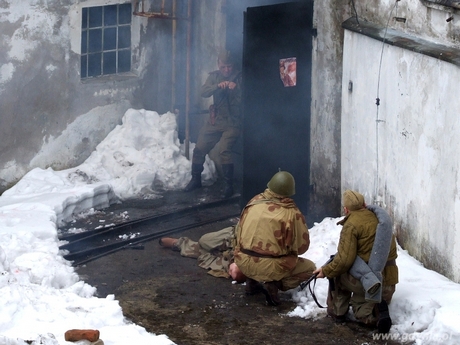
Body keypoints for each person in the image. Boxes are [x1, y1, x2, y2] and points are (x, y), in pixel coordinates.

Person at [312, 190, 399, 334]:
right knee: (361, 305)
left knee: (336, 272)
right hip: (387, 283)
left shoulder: (351, 225)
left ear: (346, 209)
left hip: (369, 283)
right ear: (365, 204)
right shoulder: (382, 221)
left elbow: (344, 261)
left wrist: (326, 271)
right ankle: (379, 308)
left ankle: (338, 312)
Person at [233, 170, 316, 306]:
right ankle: (274, 284)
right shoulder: (291, 212)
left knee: (255, 253)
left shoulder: (253, 202)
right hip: (270, 267)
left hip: (243, 262)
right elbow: (302, 247)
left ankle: (252, 282)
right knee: (310, 268)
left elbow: (237, 234)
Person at [184, 50, 242, 199]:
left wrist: (236, 89)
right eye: (223, 67)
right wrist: (218, 86)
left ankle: (228, 185)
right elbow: (203, 92)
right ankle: (196, 179)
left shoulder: (240, 77)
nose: (226, 70)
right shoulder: (214, 77)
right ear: (218, 65)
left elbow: (250, 97)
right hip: (216, 121)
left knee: (224, 150)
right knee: (199, 148)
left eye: (229, 67)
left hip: (233, 122)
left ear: (233, 66)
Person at [159, 226, 246, 283]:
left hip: (244, 256)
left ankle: (180, 244)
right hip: (239, 235)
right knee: (205, 241)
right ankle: (181, 244)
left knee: (234, 270)